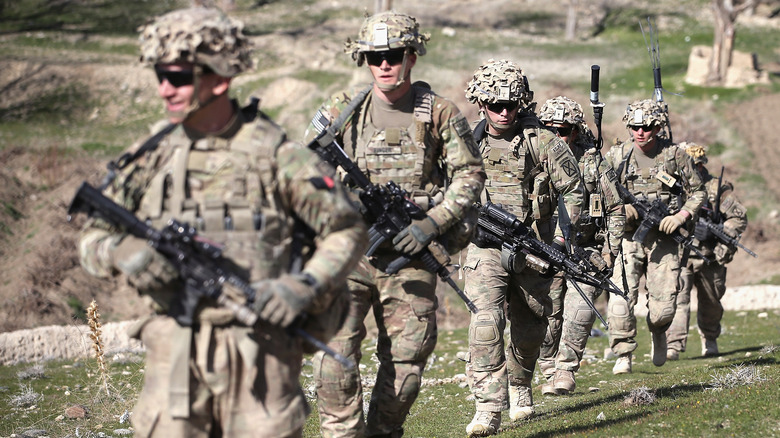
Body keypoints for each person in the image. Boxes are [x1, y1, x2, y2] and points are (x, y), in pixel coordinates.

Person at [76, 8, 367, 437]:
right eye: (160, 75)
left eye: (177, 77)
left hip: (260, 358)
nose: (164, 89)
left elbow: (345, 229)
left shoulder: (277, 155)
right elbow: (91, 237)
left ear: (220, 78)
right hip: (172, 359)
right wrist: (121, 251)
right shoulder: (151, 155)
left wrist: (302, 285)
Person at [304, 11, 485, 438]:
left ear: (411, 57)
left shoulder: (440, 113)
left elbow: (470, 175)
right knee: (333, 357)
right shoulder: (343, 109)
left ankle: (384, 431)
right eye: (374, 56)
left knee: (408, 362)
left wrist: (432, 222)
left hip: (409, 253)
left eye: (392, 55)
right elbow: (301, 167)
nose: (383, 64)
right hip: (347, 251)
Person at [461, 60, 584, 437]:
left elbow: (574, 190)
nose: (503, 112)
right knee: (485, 320)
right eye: (494, 104)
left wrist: (561, 239)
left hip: (534, 247)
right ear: (480, 103)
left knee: (531, 326)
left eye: (510, 105)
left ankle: (519, 385)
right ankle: (488, 408)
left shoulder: (543, 141)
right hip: (484, 248)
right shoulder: (466, 142)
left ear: (522, 103)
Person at [604, 99, 705, 374]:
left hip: (664, 238)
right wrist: (620, 209)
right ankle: (623, 352)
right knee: (620, 298)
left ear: (658, 127)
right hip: (627, 239)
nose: (640, 132)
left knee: (664, 308)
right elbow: (601, 193)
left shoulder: (674, 156)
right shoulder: (616, 157)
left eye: (647, 126)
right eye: (635, 126)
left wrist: (681, 216)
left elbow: (698, 192)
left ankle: (659, 332)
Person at [536, 96, 625, 395]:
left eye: (561, 130)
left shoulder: (593, 163)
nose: (554, 136)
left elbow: (615, 209)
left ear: (574, 132)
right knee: (547, 314)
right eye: (547, 129)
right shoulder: (535, 158)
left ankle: (565, 370)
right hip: (545, 249)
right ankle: (548, 366)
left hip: (585, 250)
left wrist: (610, 252)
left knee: (579, 311)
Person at [665, 142, 748, 359]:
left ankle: (710, 339)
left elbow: (738, 217)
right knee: (676, 299)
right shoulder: (672, 187)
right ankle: (673, 344)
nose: (694, 170)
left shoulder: (716, 189)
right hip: (680, 253)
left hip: (710, 256)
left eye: (697, 166)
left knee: (711, 301)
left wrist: (718, 232)